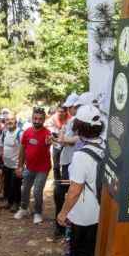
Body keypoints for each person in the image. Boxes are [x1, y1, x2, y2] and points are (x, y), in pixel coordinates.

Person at [56, 105, 105, 256]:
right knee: (93, 243)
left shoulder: (80, 156)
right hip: (100, 206)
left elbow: (75, 190)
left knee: (75, 244)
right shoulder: (104, 145)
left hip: (82, 209)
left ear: (80, 127)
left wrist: (63, 212)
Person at [13, 107, 52, 225]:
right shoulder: (27, 132)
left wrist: (50, 141)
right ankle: (24, 208)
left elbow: (50, 142)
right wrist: (19, 166)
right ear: (32, 118)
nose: (37, 121)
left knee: (37, 191)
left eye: (40, 119)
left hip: (43, 168)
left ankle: (38, 213)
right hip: (29, 167)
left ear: (44, 120)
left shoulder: (47, 133)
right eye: (35, 118)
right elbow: (22, 150)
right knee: (24, 189)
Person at [49, 94, 76, 236]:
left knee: (70, 193)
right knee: (59, 193)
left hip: (74, 164)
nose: (67, 110)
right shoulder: (69, 123)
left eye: (68, 107)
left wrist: (65, 139)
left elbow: (76, 139)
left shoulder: (80, 122)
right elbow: (61, 140)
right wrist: (57, 139)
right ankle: (60, 225)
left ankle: (66, 226)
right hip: (66, 163)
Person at [0, 114, 22, 211]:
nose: (9, 121)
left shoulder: (20, 133)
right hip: (6, 164)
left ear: (16, 121)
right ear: (4, 122)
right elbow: (1, 148)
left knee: (15, 185)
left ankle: (16, 203)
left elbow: (23, 150)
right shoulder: (4, 133)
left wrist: (21, 165)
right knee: (7, 184)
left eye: (12, 119)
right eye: (7, 120)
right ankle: (9, 202)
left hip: (16, 165)